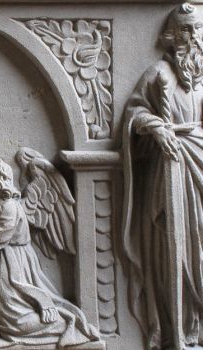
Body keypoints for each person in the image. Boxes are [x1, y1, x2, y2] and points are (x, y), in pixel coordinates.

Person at [0, 158, 99, 348]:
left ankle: (64, 323)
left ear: (0, 177)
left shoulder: (8, 205)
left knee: (10, 312)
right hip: (2, 258)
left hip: (12, 262)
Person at [123, 3, 203, 348]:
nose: (193, 36)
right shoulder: (159, 74)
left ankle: (197, 324)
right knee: (174, 244)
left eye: (197, 28)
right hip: (170, 163)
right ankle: (176, 328)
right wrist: (155, 126)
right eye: (185, 30)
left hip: (199, 157)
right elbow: (134, 112)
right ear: (171, 36)